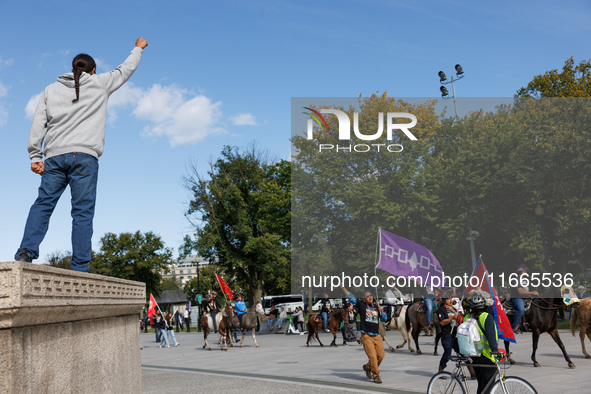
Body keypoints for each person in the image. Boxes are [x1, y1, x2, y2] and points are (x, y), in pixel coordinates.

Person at [14, 38, 148, 271]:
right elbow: (125, 69)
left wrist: (35, 156)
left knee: (43, 204)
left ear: (72, 68)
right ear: (93, 71)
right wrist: (138, 47)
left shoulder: (51, 89)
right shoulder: (100, 83)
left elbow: (38, 123)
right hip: (85, 158)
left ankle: (26, 252)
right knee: (82, 213)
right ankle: (80, 267)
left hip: (54, 157)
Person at [341, 286, 387, 384]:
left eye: (371, 295)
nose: (370, 297)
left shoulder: (376, 306)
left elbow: (384, 319)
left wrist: (381, 310)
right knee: (373, 357)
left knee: (381, 356)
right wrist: (343, 288)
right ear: (364, 299)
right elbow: (351, 297)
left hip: (376, 335)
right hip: (366, 336)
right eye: (367, 296)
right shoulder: (362, 305)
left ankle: (367, 367)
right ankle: (376, 375)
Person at [465, 289, 499, 394]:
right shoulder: (486, 317)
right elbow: (491, 338)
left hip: (474, 356)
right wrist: (496, 352)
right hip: (487, 356)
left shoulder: (467, 317)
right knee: (489, 386)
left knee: (482, 385)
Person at [510, 266, 539, 334]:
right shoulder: (516, 279)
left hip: (523, 297)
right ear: (522, 272)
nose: (526, 273)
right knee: (521, 309)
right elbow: (520, 292)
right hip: (517, 297)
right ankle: (514, 326)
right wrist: (532, 292)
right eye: (525, 271)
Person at [437, 295, 460, 372]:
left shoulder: (452, 308)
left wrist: (453, 311)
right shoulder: (441, 309)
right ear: (444, 300)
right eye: (448, 299)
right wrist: (451, 318)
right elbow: (442, 322)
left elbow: (460, 318)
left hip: (456, 334)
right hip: (447, 335)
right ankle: (441, 370)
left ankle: (472, 372)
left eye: (451, 298)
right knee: (447, 354)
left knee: (462, 352)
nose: (451, 300)